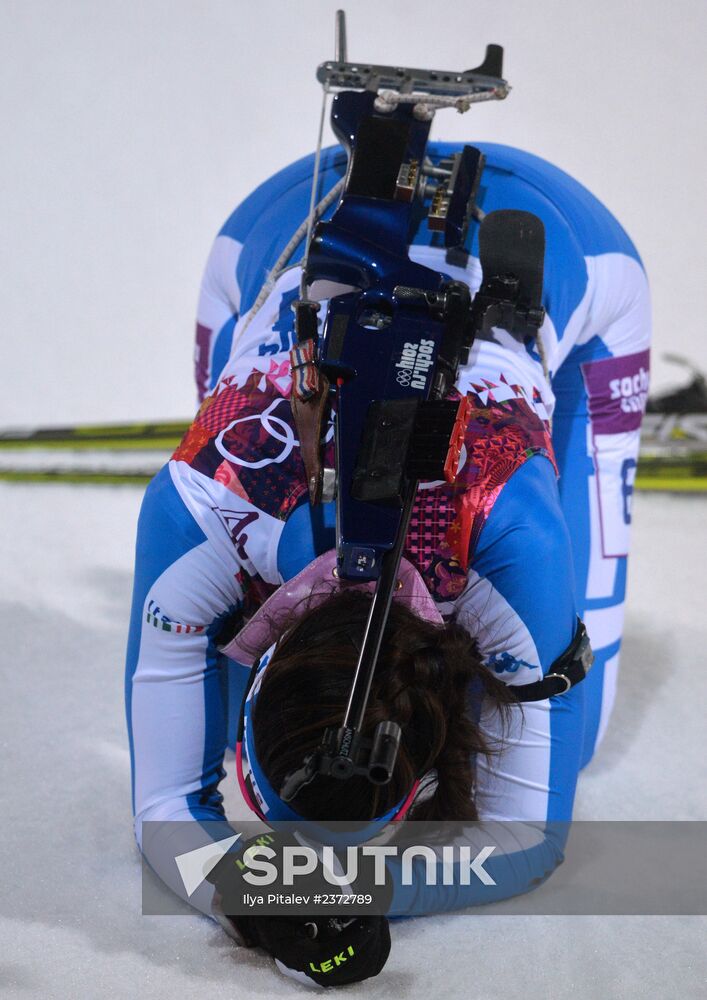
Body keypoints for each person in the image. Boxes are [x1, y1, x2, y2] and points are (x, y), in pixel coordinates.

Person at [125, 140, 651, 985]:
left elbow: (527, 841)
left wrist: (278, 898)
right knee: (550, 736)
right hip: (275, 234)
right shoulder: (193, 509)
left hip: (556, 242)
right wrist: (310, 894)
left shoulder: (512, 539)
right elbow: (161, 812)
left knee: (577, 743)